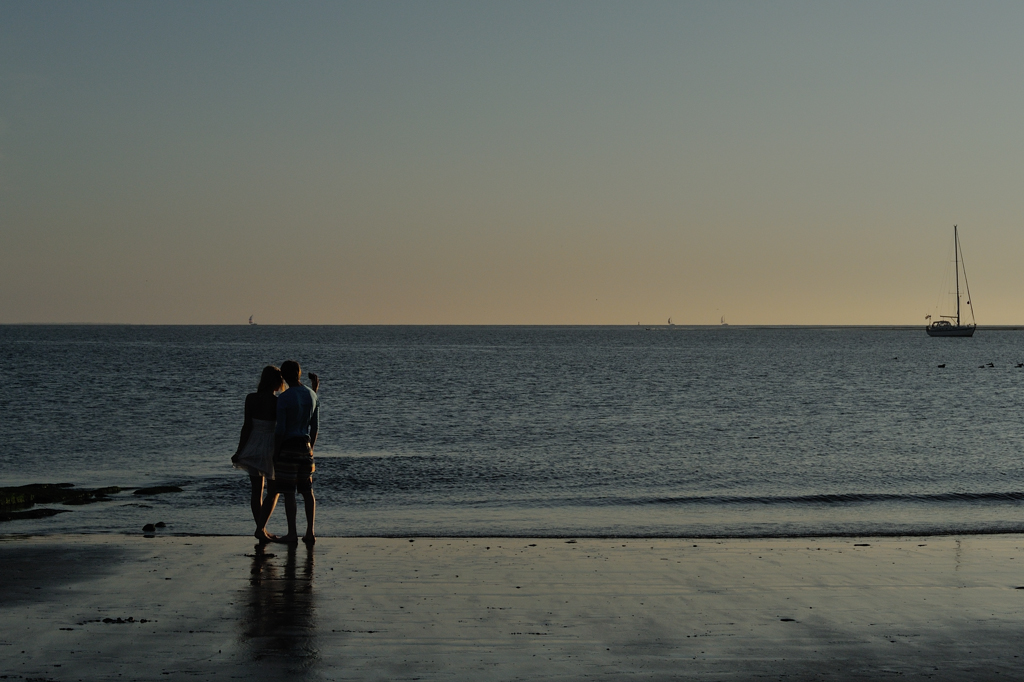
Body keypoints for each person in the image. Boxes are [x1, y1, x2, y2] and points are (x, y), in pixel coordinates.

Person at [255, 360, 319, 545]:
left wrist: (276, 452)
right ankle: (310, 532)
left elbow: (281, 429)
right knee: (307, 491)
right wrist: (311, 448)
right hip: (306, 446)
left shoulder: (284, 397)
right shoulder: (312, 394)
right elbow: (314, 426)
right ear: (299, 373)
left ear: (283, 376)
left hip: (288, 447)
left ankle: (292, 533)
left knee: (289, 492)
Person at [232, 365, 285, 527]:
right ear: (275, 382)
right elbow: (281, 429)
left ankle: (260, 526)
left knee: (257, 491)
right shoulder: (278, 402)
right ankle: (262, 527)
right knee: (274, 490)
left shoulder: (251, 398)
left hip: (253, 445)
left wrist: (239, 450)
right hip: (270, 446)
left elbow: (246, 426)